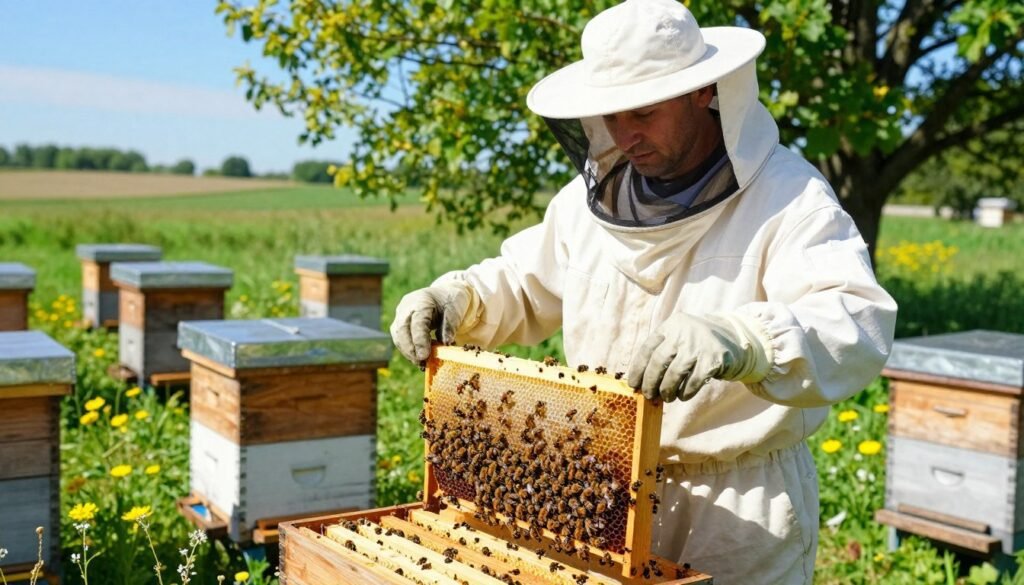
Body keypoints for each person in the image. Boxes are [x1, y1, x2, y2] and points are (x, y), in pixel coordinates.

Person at [390, 0, 897, 582]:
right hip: (600, 492)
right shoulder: (584, 206)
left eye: (644, 113)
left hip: (735, 509)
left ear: (704, 91)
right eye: (609, 116)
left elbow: (856, 320)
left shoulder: (789, 198)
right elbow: (522, 282)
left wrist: (746, 338)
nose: (624, 135)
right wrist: (460, 298)